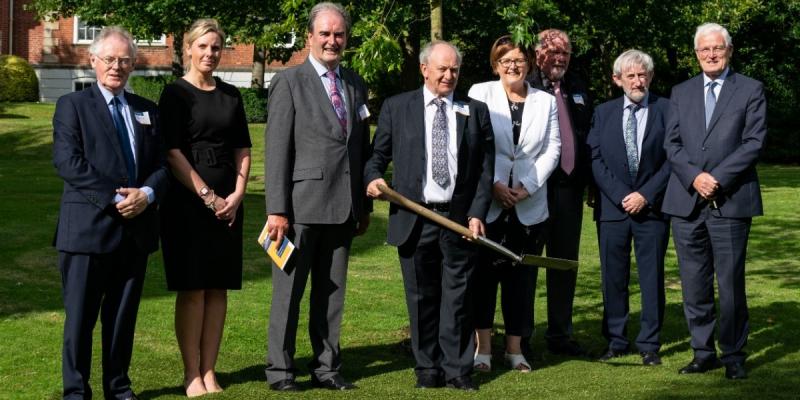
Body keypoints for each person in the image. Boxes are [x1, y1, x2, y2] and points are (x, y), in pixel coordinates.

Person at [365, 40, 495, 391]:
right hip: (414, 218)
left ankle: (458, 370)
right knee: (421, 297)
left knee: (459, 297)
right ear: (425, 69)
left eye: (454, 69)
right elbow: (377, 156)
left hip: (458, 220)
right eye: (442, 69)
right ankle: (427, 368)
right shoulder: (397, 107)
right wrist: (374, 178)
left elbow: (485, 168)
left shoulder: (475, 111)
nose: (449, 75)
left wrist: (477, 213)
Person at [52, 26, 168, 400]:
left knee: (121, 319)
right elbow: (68, 163)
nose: (116, 67)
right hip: (87, 230)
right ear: (93, 61)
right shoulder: (72, 105)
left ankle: (118, 387)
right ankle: (76, 391)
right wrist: (116, 199)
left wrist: (147, 194)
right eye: (109, 60)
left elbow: (163, 165)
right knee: (80, 321)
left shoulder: (147, 111)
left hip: (135, 232)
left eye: (124, 60)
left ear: (133, 64)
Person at [264, 2, 372, 392]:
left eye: (339, 34)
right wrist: (276, 209)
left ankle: (326, 367)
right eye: (324, 33)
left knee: (332, 296)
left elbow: (361, 149)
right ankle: (280, 371)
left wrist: (364, 205)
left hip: (344, 206)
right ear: (309, 36)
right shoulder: (289, 82)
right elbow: (276, 150)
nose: (332, 40)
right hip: (298, 209)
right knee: (288, 294)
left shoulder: (356, 83)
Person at [663, 22, 766, 380]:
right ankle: (702, 352)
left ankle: (734, 353)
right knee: (694, 283)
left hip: (731, 199)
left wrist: (717, 178)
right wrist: (695, 176)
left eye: (717, 49)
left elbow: (753, 142)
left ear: (729, 51)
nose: (710, 55)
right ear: (696, 54)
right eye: (704, 50)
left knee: (731, 283)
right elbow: (671, 145)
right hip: (687, 200)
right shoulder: (681, 91)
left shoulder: (750, 89)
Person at [157, 19, 252, 397]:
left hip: (228, 204)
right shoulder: (175, 95)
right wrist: (207, 195)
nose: (210, 53)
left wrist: (238, 194)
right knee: (193, 288)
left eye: (216, 47)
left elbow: (243, 147)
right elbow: (172, 152)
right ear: (188, 49)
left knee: (218, 288)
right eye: (203, 47)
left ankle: (211, 371)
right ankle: (191, 373)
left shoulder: (231, 94)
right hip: (188, 204)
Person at [467, 35, 560, 373]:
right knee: (483, 279)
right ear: (496, 64)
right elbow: (473, 145)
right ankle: (483, 351)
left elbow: (553, 148)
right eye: (505, 59)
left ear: (529, 64)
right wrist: (492, 185)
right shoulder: (480, 93)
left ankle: (515, 351)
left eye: (519, 59)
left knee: (521, 281)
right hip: (489, 202)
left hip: (529, 204)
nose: (513, 65)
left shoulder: (545, 102)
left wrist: (527, 187)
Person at [587, 49, 670, 366]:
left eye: (643, 75)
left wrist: (645, 195)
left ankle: (650, 343)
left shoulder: (666, 109)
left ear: (650, 77)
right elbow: (594, 158)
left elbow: (671, 159)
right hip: (613, 210)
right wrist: (622, 195)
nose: (638, 81)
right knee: (613, 277)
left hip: (652, 210)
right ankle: (616, 341)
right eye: (631, 75)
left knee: (651, 277)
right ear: (617, 79)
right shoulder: (603, 112)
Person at [526, 28, 593, 356]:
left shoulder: (577, 86)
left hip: (569, 190)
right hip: (535, 188)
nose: (560, 58)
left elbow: (587, 136)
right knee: (526, 263)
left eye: (565, 52)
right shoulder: (527, 86)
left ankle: (560, 334)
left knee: (564, 263)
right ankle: (520, 335)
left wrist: (591, 184)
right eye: (553, 51)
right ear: (538, 53)